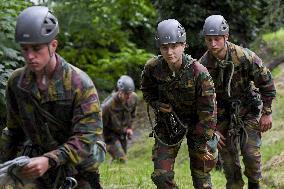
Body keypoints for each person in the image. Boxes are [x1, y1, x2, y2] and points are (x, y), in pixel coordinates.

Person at [0, 6, 105, 189]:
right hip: (35, 162)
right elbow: (14, 133)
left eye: (37, 48)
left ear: (53, 45)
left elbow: (86, 138)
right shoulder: (17, 83)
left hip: (76, 164)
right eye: (24, 49)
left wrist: (49, 160)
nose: (30, 56)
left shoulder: (79, 83)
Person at [199, 15, 276, 189]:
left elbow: (267, 83)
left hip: (248, 110)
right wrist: (212, 129)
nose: (213, 44)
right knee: (229, 163)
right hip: (222, 117)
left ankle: (254, 184)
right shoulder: (203, 66)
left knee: (250, 155)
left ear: (226, 37)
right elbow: (201, 102)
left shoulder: (244, 57)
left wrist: (267, 113)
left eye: (217, 39)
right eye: (209, 40)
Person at [141, 19, 218, 189]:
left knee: (202, 178)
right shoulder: (152, 68)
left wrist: (202, 142)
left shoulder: (199, 72)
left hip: (199, 125)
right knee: (161, 176)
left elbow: (209, 112)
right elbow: (147, 90)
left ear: (184, 45)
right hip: (169, 123)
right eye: (164, 47)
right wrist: (157, 104)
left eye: (174, 46)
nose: (169, 52)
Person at [102, 75, 138, 163]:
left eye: (130, 93)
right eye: (126, 94)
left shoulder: (133, 98)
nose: (128, 97)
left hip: (122, 134)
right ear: (120, 91)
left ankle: (111, 173)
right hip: (109, 136)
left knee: (120, 160)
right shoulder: (107, 106)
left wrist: (129, 128)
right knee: (121, 159)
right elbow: (100, 126)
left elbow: (132, 114)